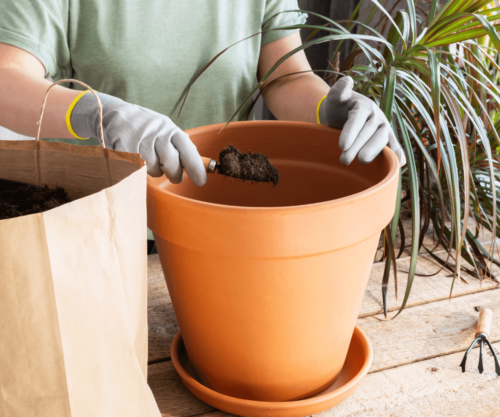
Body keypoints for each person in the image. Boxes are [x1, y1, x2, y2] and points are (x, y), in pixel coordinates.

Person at [0, 0, 405, 188]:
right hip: (102, 222)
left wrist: (328, 108)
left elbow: (284, 77)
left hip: (218, 210)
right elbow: (5, 79)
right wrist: (99, 114)